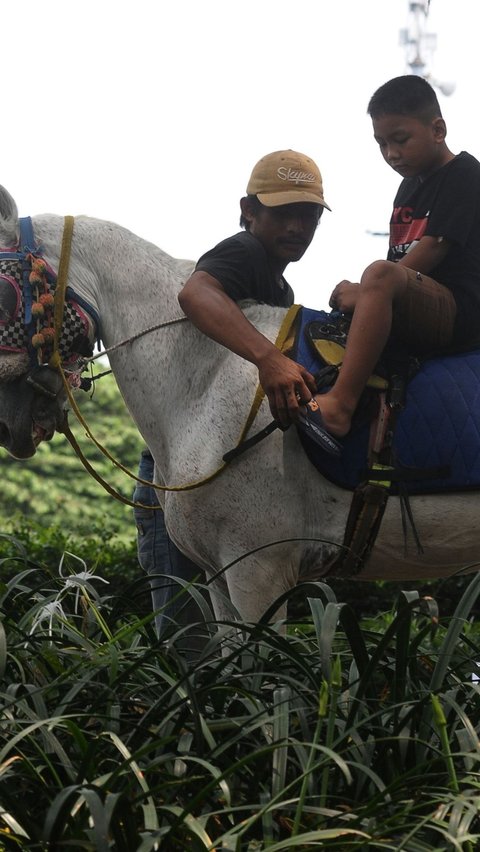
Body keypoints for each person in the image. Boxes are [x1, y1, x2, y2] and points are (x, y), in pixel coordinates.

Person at [313, 74, 480, 443]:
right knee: (364, 285)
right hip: (415, 297)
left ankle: (341, 404)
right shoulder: (407, 188)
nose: (391, 153)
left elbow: (434, 247)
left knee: (377, 275)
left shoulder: (466, 174)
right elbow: (399, 255)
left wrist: (370, 288)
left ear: (438, 130)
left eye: (400, 140)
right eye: (381, 143)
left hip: (457, 310)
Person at [178, 149, 333, 444]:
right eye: (283, 212)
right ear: (249, 209)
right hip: (190, 431)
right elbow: (195, 293)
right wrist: (271, 360)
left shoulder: (283, 290)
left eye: (308, 215)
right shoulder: (244, 251)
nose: (296, 227)